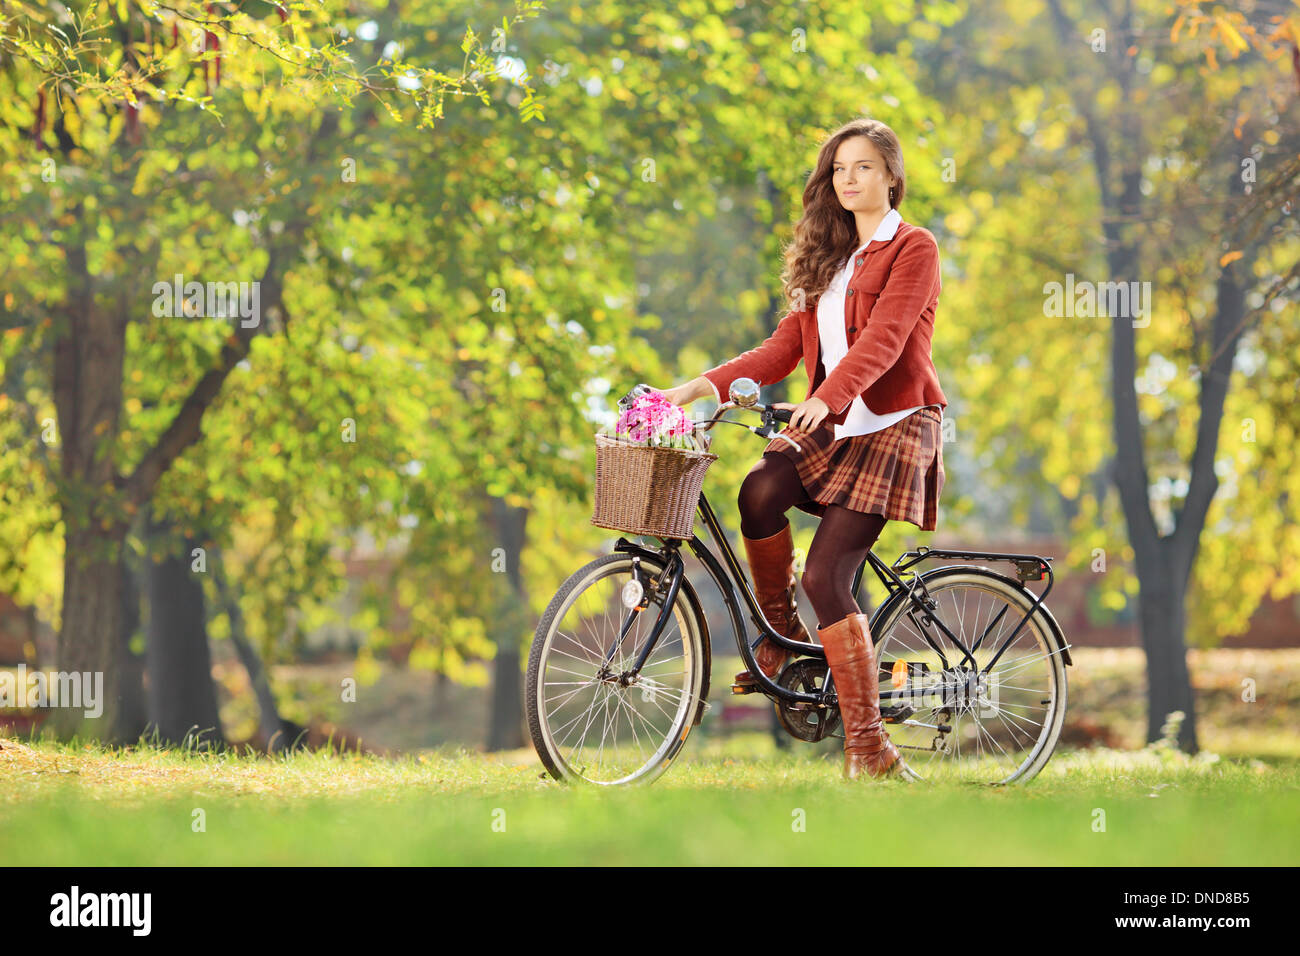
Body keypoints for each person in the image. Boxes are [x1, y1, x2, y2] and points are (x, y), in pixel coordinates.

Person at [656, 118, 947, 781]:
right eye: (840, 168)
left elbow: (888, 337)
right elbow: (780, 349)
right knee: (757, 490)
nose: (849, 178)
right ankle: (782, 638)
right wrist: (693, 388)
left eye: (865, 166)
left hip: (893, 424)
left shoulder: (914, 248)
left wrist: (829, 396)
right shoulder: (830, 259)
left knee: (827, 578)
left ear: (891, 176)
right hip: (832, 419)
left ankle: (870, 748)